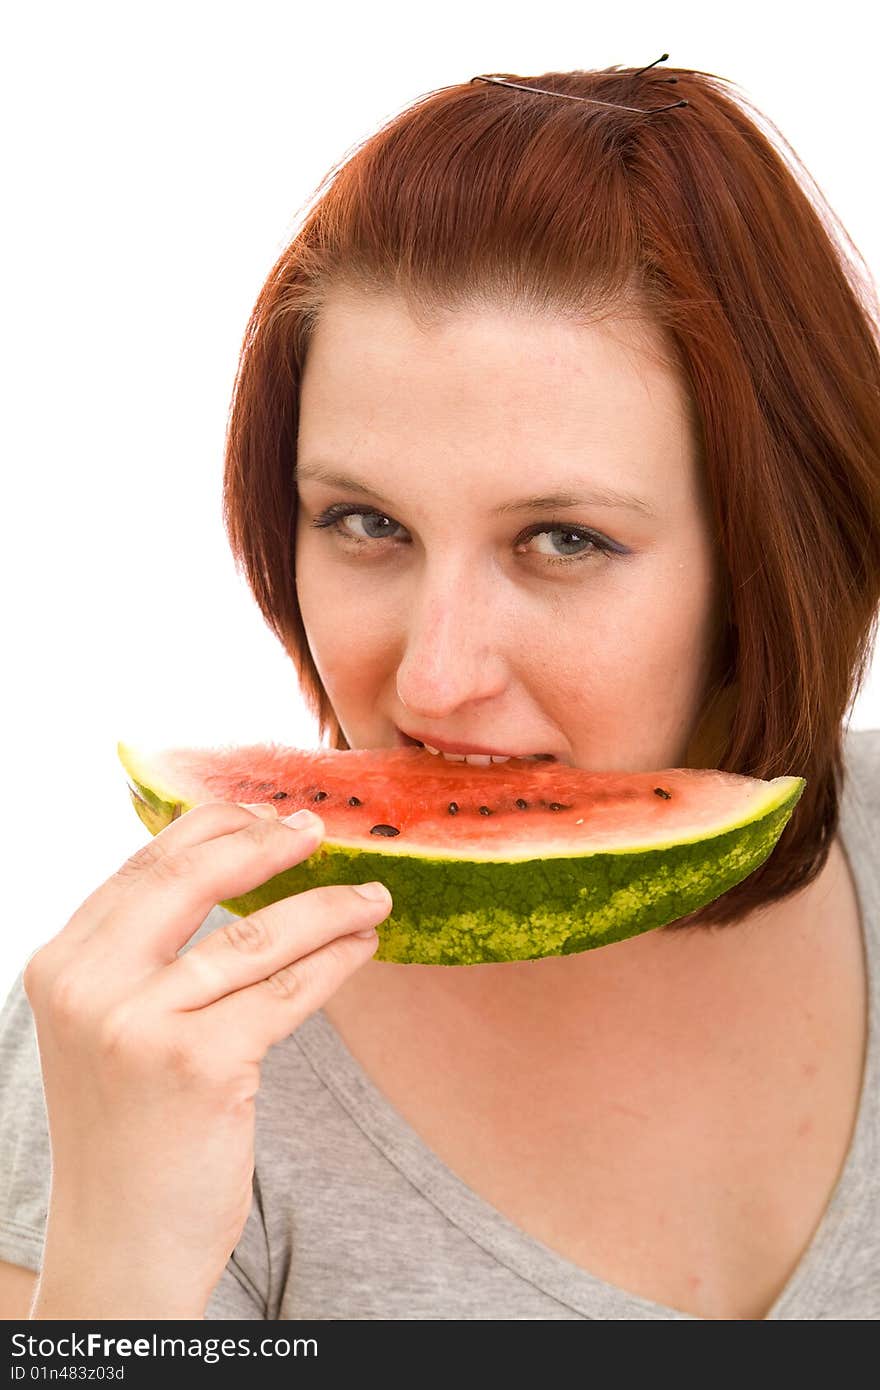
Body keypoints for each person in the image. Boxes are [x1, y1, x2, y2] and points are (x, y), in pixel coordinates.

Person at [2, 59, 880, 1322]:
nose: (433, 675)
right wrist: (117, 1272)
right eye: (364, 520)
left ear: (766, 551)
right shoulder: (149, 1041)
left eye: (563, 540)